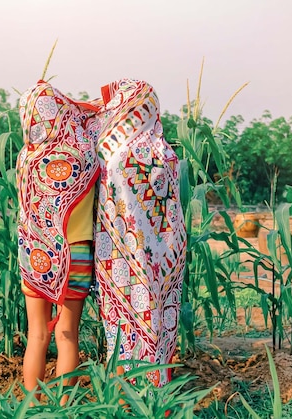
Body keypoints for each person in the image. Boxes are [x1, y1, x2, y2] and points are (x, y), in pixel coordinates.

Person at [92, 79, 187, 387]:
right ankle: (157, 390)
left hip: (118, 253)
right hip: (163, 257)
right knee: (157, 322)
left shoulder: (113, 152)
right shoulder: (165, 152)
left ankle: (122, 397)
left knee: (119, 324)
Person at [16, 80, 100, 399]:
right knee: (67, 336)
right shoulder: (83, 154)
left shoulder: (27, 157)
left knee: (36, 335)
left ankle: (31, 407)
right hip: (75, 254)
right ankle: (67, 407)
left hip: (34, 252)